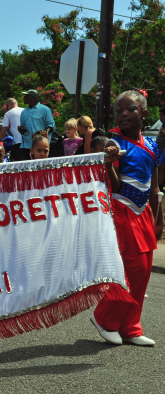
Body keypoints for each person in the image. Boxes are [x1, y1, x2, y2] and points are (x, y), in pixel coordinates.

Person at [91, 90, 162, 347]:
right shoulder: (116, 144)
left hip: (143, 213)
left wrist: (159, 217)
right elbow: (116, 187)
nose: (122, 114)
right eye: (118, 110)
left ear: (143, 113)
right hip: (122, 211)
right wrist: (109, 163)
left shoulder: (152, 146)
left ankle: (131, 327)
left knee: (144, 273)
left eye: (129, 109)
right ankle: (105, 319)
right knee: (132, 269)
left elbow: (154, 188)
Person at [18, 90, 55, 161]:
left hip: (40, 148)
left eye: (26, 96)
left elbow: (51, 126)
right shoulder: (24, 112)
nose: (23, 98)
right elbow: (23, 127)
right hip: (26, 146)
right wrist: (21, 129)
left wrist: (43, 132)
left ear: (31, 97)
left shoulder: (45, 110)